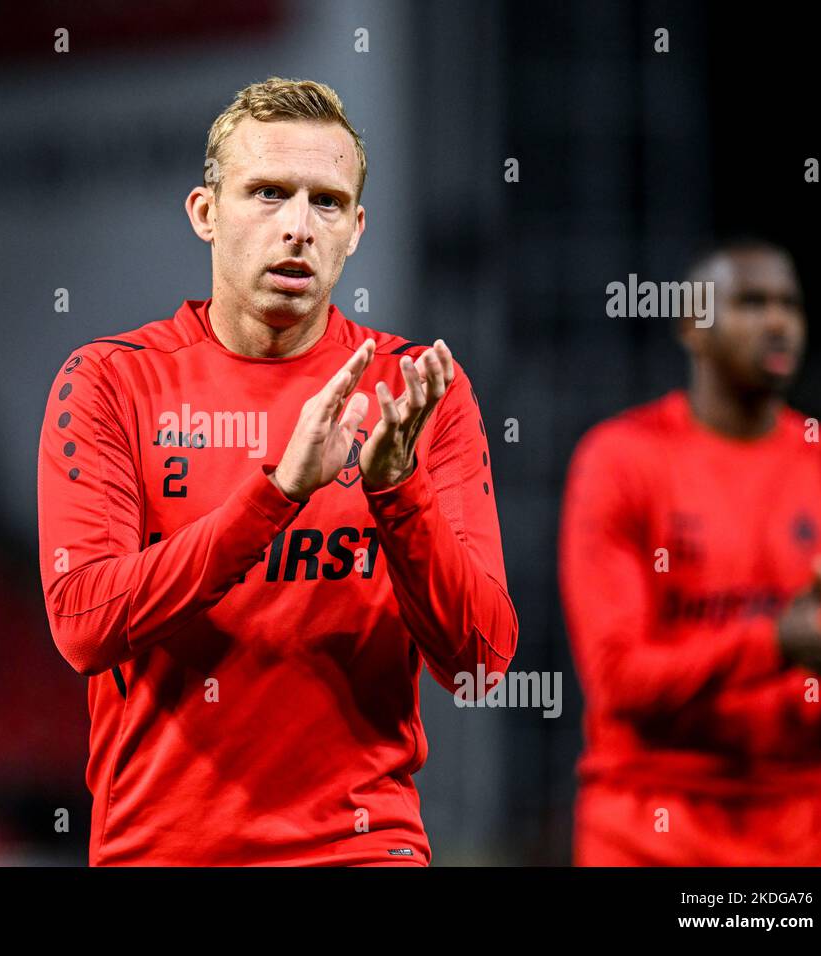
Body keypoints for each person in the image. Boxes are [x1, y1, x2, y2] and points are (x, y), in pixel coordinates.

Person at [36, 77, 517, 865]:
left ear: (356, 230)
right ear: (205, 212)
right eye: (267, 193)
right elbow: (84, 626)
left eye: (326, 202)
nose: (297, 226)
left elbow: (481, 663)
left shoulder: (419, 391)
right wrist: (276, 494)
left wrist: (399, 492)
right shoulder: (109, 383)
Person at [560, 237, 821, 865]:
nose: (779, 321)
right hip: (650, 820)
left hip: (800, 821)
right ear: (693, 324)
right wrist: (776, 643)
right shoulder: (621, 461)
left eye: (791, 304)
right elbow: (618, 679)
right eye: (752, 302)